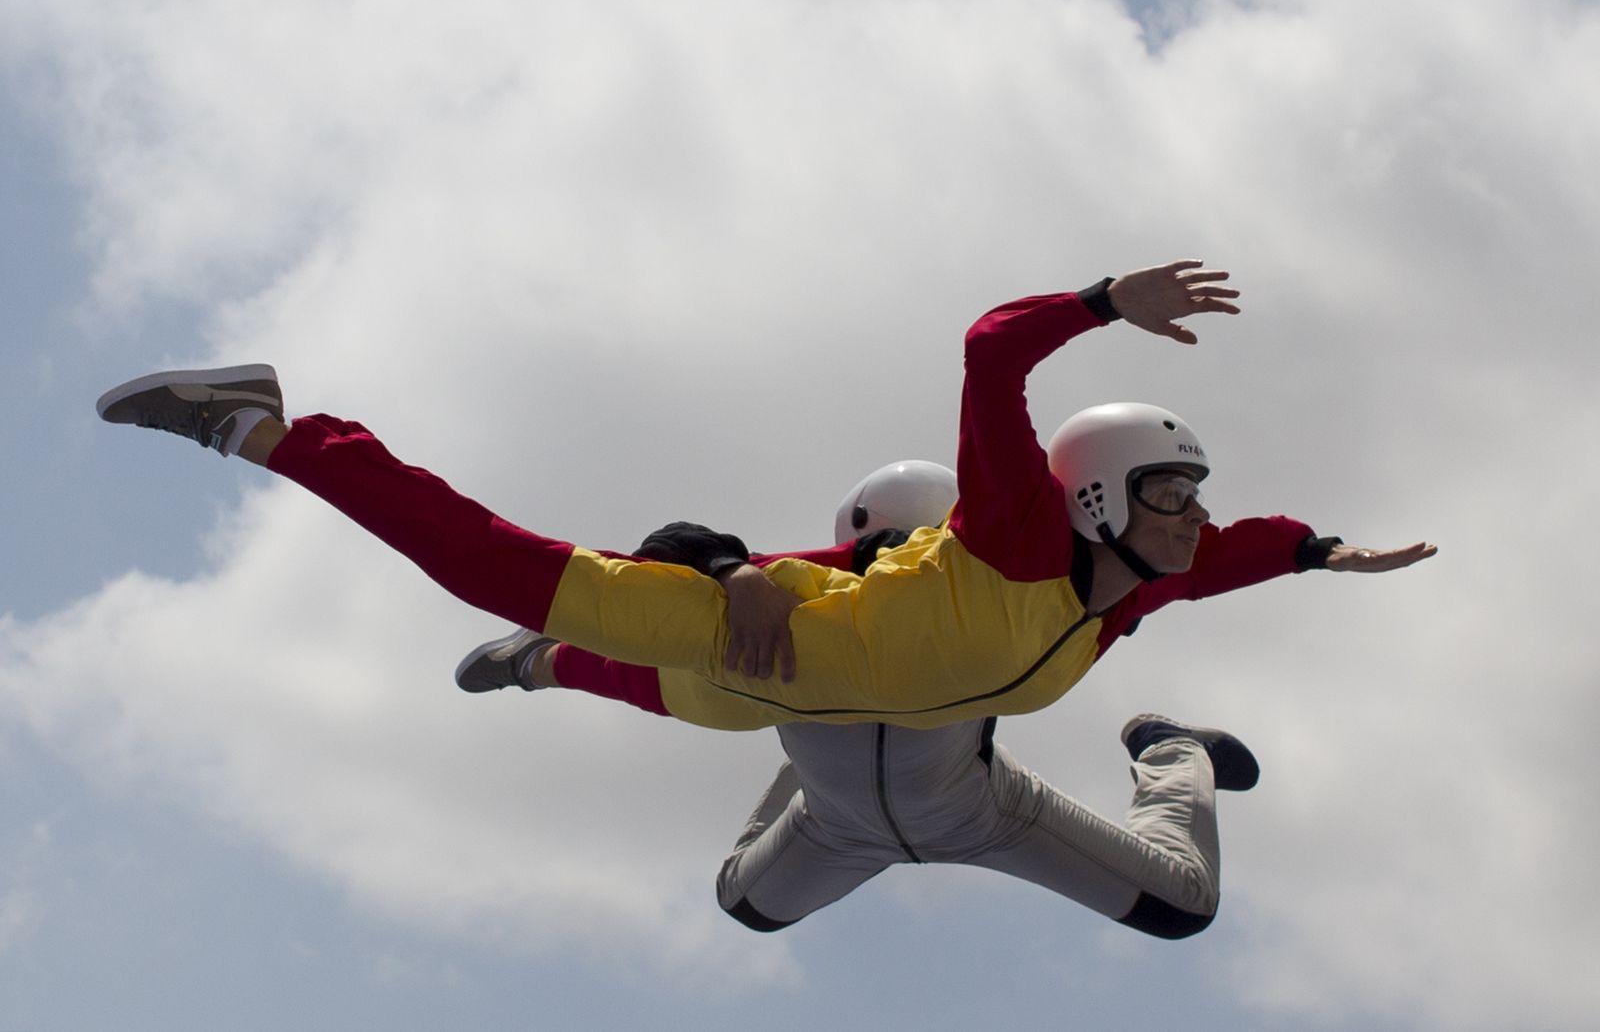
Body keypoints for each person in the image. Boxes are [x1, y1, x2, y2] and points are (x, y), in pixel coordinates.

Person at [96, 259, 1435, 731]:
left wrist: (1322, 551)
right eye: (1168, 493)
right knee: (511, 570)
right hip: (775, 636)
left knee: (696, 711)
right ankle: (268, 425)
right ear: (1090, 500)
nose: (1193, 518)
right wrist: (1098, 302)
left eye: (1195, 497)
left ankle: (549, 662)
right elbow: (987, 350)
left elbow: (1238, 550)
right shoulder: (1020, 530)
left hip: (818, 695)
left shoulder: (1132, 598)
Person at [455, 463, 1403, 938]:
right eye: (894, 555)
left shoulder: (1001, 594)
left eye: (929, 554)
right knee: (742, 901)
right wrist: (728, 568)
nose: (908, 573)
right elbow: (643, 642)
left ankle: (1170, 751)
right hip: (841, 821)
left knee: (1182, 906)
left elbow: (1173, 574)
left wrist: (1307, 548)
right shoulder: (818, 587)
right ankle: (803, 741)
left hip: (978, 808)